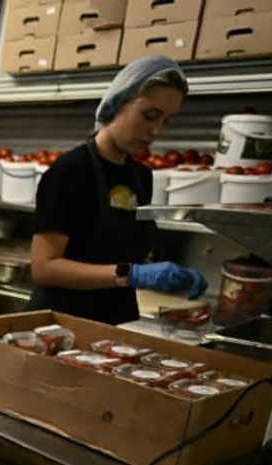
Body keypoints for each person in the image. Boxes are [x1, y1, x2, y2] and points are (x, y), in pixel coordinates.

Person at [28, 55, 207, 324]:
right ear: (118, 102)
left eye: (166, 121)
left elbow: (121, 253)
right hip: (61, 323)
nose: (156, 130)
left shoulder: (141, 176)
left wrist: (165, 276)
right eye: (149, 115)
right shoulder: (71, 171)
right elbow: (44, 268)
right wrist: (130, 274)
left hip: (116, 323)